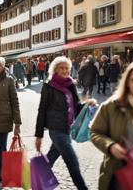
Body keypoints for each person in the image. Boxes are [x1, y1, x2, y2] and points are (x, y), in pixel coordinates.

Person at [90, 60, 133, 190]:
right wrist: (110, 146)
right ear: (127, 82)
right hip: (124, 176)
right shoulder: (112, 105)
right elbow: (95, 131)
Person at [35, 56, 96, 190]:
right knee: (73, 163)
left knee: (51, 157)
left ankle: (36, 182)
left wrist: (87, 104)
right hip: (56, 130)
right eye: (61, 68)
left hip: (67, 128)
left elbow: (76, 106)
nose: (65, 71)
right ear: (55, 70)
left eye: (67, 68)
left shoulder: (70, 84)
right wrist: (38, 135)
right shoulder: (49, 86)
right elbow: (42, 110)